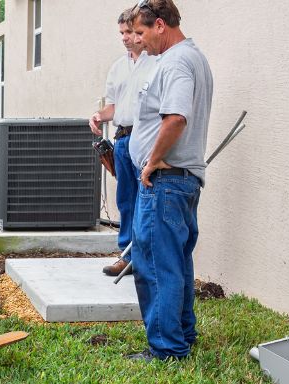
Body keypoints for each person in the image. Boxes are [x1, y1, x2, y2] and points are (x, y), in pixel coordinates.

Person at [125, 0, 213, 362]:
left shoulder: (177, 61)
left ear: (160, 25)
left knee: (156, 265)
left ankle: (165, 348)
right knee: (175, 262)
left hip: (166, 180)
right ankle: (183, 334)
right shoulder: (194, 58)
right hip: (181, 180)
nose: (139, 42)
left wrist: (153, 161)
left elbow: (176, 117)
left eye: (142, 33)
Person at [90, 8, 159, 277]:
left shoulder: (156, 62)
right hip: (121, 141)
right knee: (126, 201)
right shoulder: (118, 67)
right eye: (122, 33)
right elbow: (114, 108)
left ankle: (145, 258)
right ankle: (126, 256)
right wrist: (98, 116)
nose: (126, 38)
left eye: (130, 32)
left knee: (147, 200)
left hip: (145, 139)